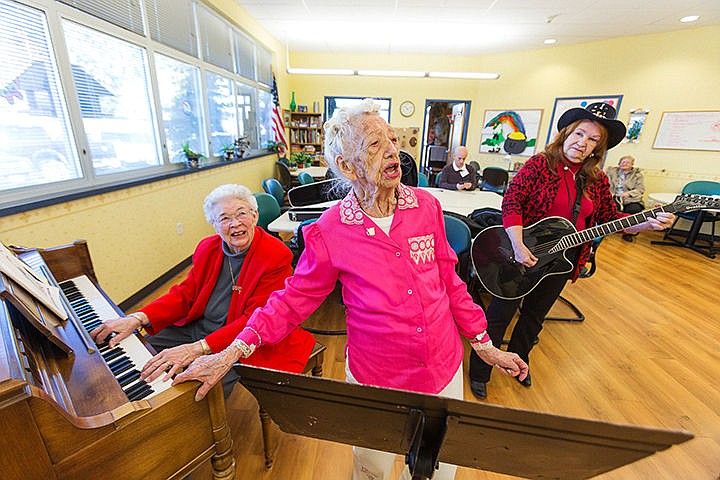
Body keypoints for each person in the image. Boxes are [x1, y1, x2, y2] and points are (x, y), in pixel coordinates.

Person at [173, 99, 528, 480]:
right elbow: (292, 301)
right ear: (345, 165)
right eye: (375, 144)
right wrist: (233, 350)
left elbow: (449, 280)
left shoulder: (426, 206)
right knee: (372, 467)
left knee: (439, 470)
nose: (393, 150)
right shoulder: (330, 230)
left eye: (392, 139)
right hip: (376, 377)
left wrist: (484, 343)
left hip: (442, 366)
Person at [467, 102, 675, 400]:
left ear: (598, 147)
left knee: (534, 318)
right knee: (499, 316)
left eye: (593, 140)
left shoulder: (597, 179)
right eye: (579, 133)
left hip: (562, 262)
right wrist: (517, 243)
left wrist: (647, 224)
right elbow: (512, 202)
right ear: (566, 133)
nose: (583, 143)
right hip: (520, 252)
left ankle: (518, 365)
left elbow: (611, 220)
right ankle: (480, 371)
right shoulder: (539, 165)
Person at [89, 184, 316, 398]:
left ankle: (197, 430)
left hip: (241, 339)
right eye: (224, 218)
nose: (235, 224)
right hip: (199, 327)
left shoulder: (275, 254)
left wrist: (199, 349)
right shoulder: (208, 247)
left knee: (203, 386)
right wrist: (137, 318)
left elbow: (254, 318)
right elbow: (185, 294)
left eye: (241, 214)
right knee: (142, 348)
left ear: (255, 216)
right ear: (215, 226)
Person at [606, 155, 646, 241]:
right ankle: (609, 229)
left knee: (634, 209)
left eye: (627, 162)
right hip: (614, 196)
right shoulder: (612, 172)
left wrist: (628, 194)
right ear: (619, 163)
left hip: (630, 198)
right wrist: (609, 192)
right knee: (611, 207)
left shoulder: (637, 175)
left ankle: (628, 232)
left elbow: (640, 189)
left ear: (632, 165)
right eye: (622, 162)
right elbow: (605, 183)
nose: (624, 164)